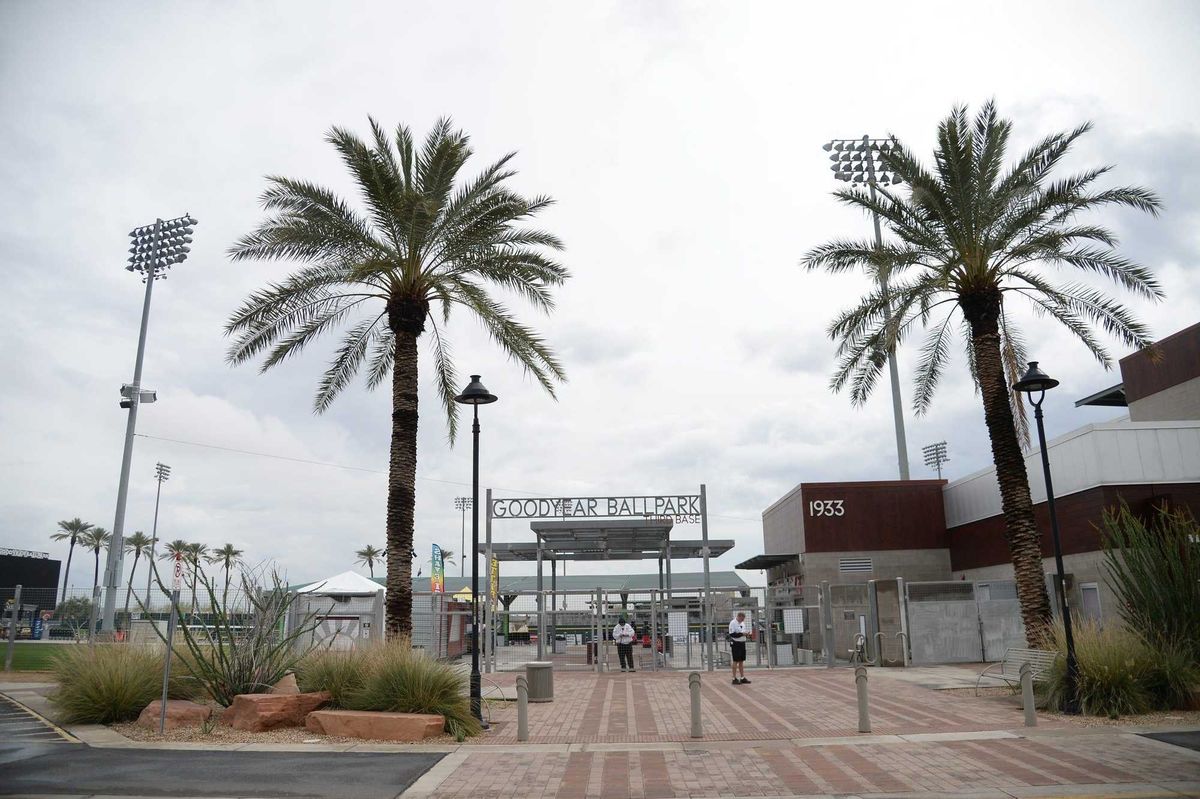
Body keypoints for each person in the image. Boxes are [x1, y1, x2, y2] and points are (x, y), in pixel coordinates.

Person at [728, 611, 751, 684]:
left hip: (742, 643)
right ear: (739, 616)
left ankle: (742, 677)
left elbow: (742, 632)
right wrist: (742, 634)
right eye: (742, 618)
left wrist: (746, 634)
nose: (743, 620)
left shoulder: (742, 623)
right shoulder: (733, 623)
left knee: (741, 661)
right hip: (736, 644)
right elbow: (732, 634)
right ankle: (734, 678)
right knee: (736, 660)